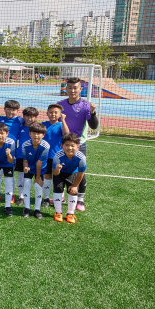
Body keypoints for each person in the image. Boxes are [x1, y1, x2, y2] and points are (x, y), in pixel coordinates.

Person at [56, 77, 100, 213]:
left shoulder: (86, 105)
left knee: (80, 171)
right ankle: (61, 195)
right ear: (66, 89)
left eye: (75, 88)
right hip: (62, 143)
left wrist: (93, 113)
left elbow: (93, 125)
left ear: (81, 89)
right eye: (70, 87)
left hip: (79, 144)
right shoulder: (60, 104)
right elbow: (55, 123)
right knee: (60, 168)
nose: (72, 90)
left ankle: (80, 199)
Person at [51, 133, 87, 223]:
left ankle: (70, 213)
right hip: (59, 174)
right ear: (62, 146)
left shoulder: (81, 157)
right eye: (67, 145)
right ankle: (58, 212)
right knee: (58, 190)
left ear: (78, 147)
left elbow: (81, 173)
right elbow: (54, 173)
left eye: (72, 146)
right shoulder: (57, 156)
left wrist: (75, 186)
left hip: (72, 174)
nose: (70, 148)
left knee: (73, 191)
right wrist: (57, 170)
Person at [40, 103, 67, 207]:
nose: (53, 114)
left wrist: (63, 120)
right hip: (45, 156)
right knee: (47, 177)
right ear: (47, 113)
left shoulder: (61, 125)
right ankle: (46, 198)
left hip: (57, 157)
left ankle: (61, 197)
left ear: (60, 114)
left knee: (58, 178)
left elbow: (66, 134)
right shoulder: (43, 124)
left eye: (56, 112)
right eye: (51, 112)